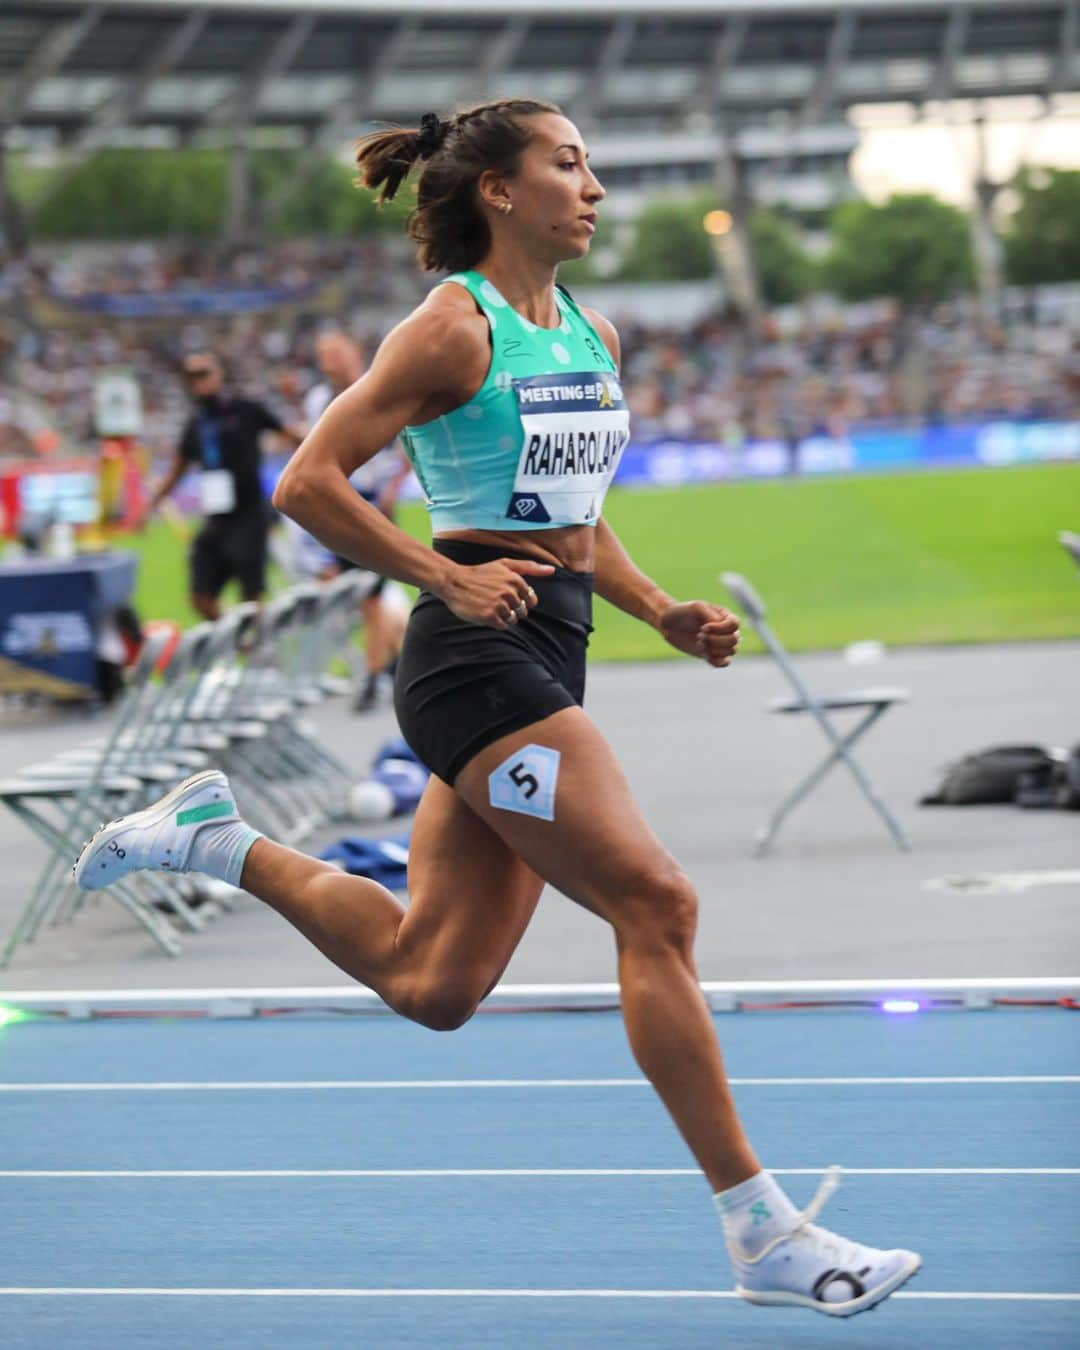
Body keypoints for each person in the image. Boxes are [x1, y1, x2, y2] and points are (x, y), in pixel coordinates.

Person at [74, 100, 919, 1318]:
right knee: (657, 901)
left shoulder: (589, 329)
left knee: (434, 983)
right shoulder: (449, 331)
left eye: (592, 163)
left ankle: (217, 839)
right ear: (501, 193)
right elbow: (307, 483)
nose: (596, 188)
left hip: (551, 646)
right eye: (570, 164)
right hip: (473, 664)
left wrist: (658, 609)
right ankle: (764, 1235)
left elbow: (577, 517)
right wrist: (443, 571)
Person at [143, 351, 302, 620]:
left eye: (204, 374)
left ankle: (257, 648)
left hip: (249, 515)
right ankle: (236, 638)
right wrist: (152, 504)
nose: (199, 382)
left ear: (219, 374)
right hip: (217, 518)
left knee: (251, 597)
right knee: (200, 595)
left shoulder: (246, 409)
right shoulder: (196, 425)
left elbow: (292, 435)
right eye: (191, 377)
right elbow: (178, 469)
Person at [302, 330, 411, 711]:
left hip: (374, 503)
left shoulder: (380, 386)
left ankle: (373, 675)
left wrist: (395, 485)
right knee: (355, 594)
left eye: (336, 352)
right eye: (324, 354)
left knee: (370, 596)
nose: (330, 360)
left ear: (353, 352)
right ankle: (393, 659)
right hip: (338, 505)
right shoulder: (318, 400)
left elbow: (409, 440)